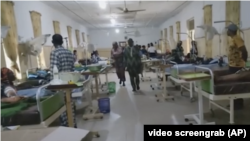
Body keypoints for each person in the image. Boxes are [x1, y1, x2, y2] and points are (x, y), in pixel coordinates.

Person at [216, 24, 248, 110]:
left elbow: (244, 51)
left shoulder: (237, 38)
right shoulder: (233, 39)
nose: (227, 32)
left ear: (230, 31)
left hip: (237, 66)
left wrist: (244, 62)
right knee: (233, 84)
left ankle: (238, 104)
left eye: (228, 30)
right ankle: (235, 103)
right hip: (233, 65)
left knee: (236, 84)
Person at [49, 34, 77, 128]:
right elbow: (73, 69)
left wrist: (51, 85)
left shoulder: (54, 53)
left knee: (62, 106)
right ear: (62, 42)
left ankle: (66, 126)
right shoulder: (69, 52)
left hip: (60, 84)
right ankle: (72, 123)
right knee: (70, 103)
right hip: (69, 82)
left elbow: (54, 70)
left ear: (53, 42)